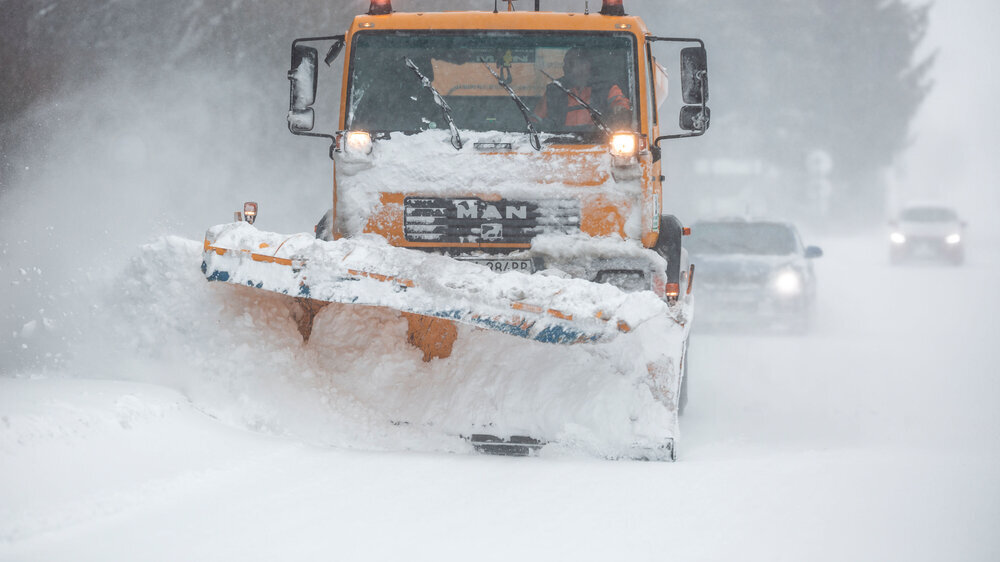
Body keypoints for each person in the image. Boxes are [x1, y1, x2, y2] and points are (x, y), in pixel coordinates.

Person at [534, 47, 632, 130]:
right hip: (559, 144)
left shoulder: (606, 88)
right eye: (565, 64)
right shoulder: (554, 91)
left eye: (571, 63)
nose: (565, 67)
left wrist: (620, 108)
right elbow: (535, 119)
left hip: (597, 142)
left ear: (586, 65)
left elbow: (620, 102)